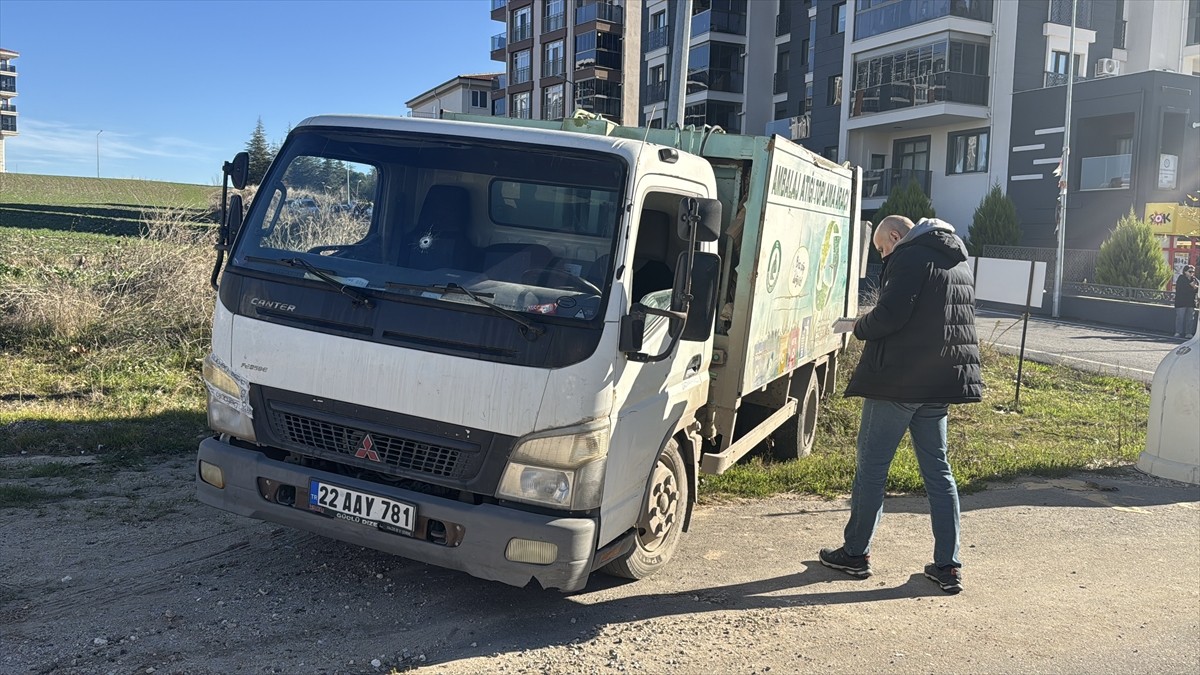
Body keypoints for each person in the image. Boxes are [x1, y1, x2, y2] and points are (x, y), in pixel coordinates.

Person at [818, 215, 983, 594]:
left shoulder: (910, 255)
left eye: (881, 249)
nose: (883, 255)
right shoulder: (958, 259)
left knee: (872, 469)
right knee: (939, 473)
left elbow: (891, 315)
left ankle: (855, 554)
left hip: (898, 382)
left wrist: (857, 326)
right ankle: (948, 565)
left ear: (895, 236)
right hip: (939, 384)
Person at [1173, 264, 1198, 339]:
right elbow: (1181, 289)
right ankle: (1178, 332)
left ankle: (1188, 333)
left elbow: (1197, 289)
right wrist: (1191, 286)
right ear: (1185, 271)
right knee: (1180, 318)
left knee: (1190, 318)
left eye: (1193, 272)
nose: (1191, 273)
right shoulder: (1181, 278)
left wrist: (1194, 287)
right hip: (1181, 301)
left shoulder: (1194, 279)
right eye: (1190, 271)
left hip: (1190, 302)